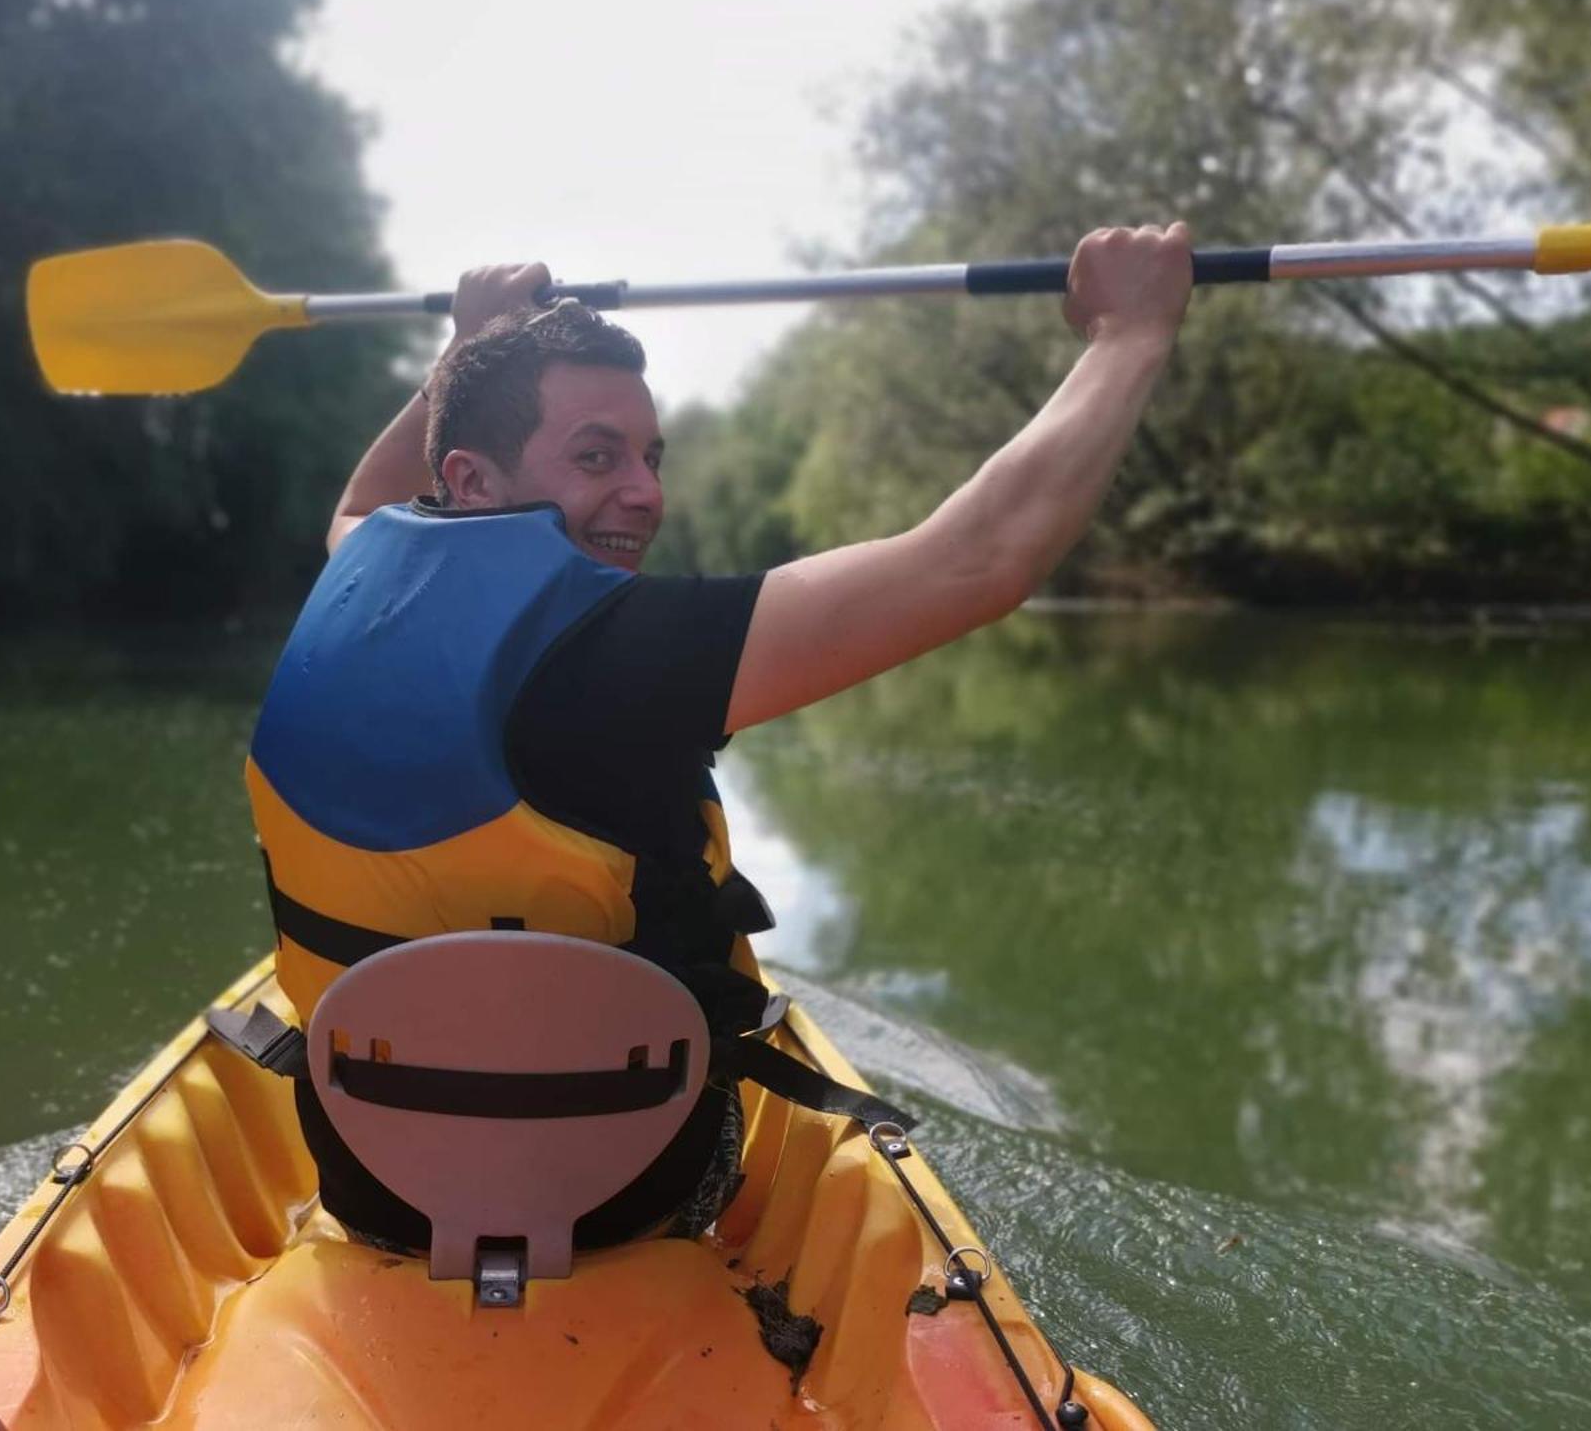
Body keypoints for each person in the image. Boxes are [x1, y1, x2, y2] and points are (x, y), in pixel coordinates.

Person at [244, 225, 1194, 1252]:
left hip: (370, 1183)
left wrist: (461, 355)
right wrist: (1127, 332)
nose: (646, 490)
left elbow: (365, 498)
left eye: (649, 457)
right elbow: (976, 562)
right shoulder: (625, 652)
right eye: (596, 456)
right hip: (621, 1192)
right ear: (473, 481)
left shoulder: (351, 570)